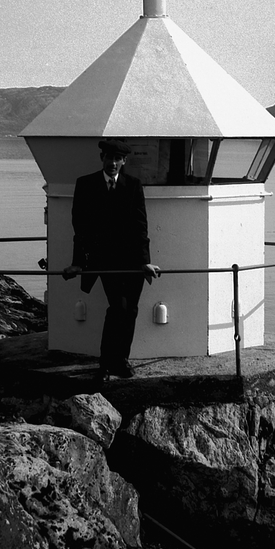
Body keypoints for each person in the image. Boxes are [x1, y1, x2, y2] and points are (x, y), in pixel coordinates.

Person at [62, 139, 160, 380]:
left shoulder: (133, 186)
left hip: (133, 262)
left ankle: (120, 360)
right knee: (119, 307)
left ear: (124, 161)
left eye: (118, 159)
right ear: (102, 158)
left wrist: (145, 261)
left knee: (131, 310)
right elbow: (80, 228)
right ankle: (107, 362)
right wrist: (78, 262)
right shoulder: (85, 185)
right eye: (109, 158)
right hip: (104, 261)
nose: (113, 163)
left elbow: (140, 227)